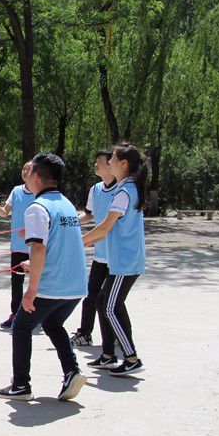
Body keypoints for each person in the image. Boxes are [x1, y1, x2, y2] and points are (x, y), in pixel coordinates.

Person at [0, 153, 87, 402]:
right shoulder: (67, 205)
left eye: (29, 171)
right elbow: (59, 244)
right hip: (76, 284)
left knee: (21, 326)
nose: (25, 175)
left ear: (35, 176)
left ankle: (21, 385)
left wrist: (31, 289)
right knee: (52, 324)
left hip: (52, 285)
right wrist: (33, 265)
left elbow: (38, 248)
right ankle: (72, 371)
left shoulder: (37, 207)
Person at [82, 141, 147, 375]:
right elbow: (103, 229)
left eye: (112, 159)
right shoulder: (126, 189)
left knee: (109, 306)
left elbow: (104, 227)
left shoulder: (124, 192)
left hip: (125, 261)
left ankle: (131, 358)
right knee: (104, 302)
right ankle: (108, 355)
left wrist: (79, 241)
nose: (108, 161)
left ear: (123, 163)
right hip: (121, 260)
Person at [69, 150, 117, 347]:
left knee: (110, 301)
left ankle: (115, 336)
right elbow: (89, 215)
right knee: (90, 296)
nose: (96, 164)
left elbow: (109, 226)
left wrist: (86, 239)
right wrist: (70, 222)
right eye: (95, 160)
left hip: (117, 257)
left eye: (100, 161)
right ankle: (85, 334)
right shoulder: (96, 189)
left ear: (111, 165)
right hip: (100, 256)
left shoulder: (122, 191)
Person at [0, 161, 35, 328]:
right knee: (16, 281)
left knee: (37, 281)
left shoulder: (40, 193)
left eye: (29, 169)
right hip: (18, 245)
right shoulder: (16, 191)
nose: (25, 172)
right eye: (23, 169)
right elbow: (5, 212)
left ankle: (36, 314)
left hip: (36, 246)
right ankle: (15, 314)